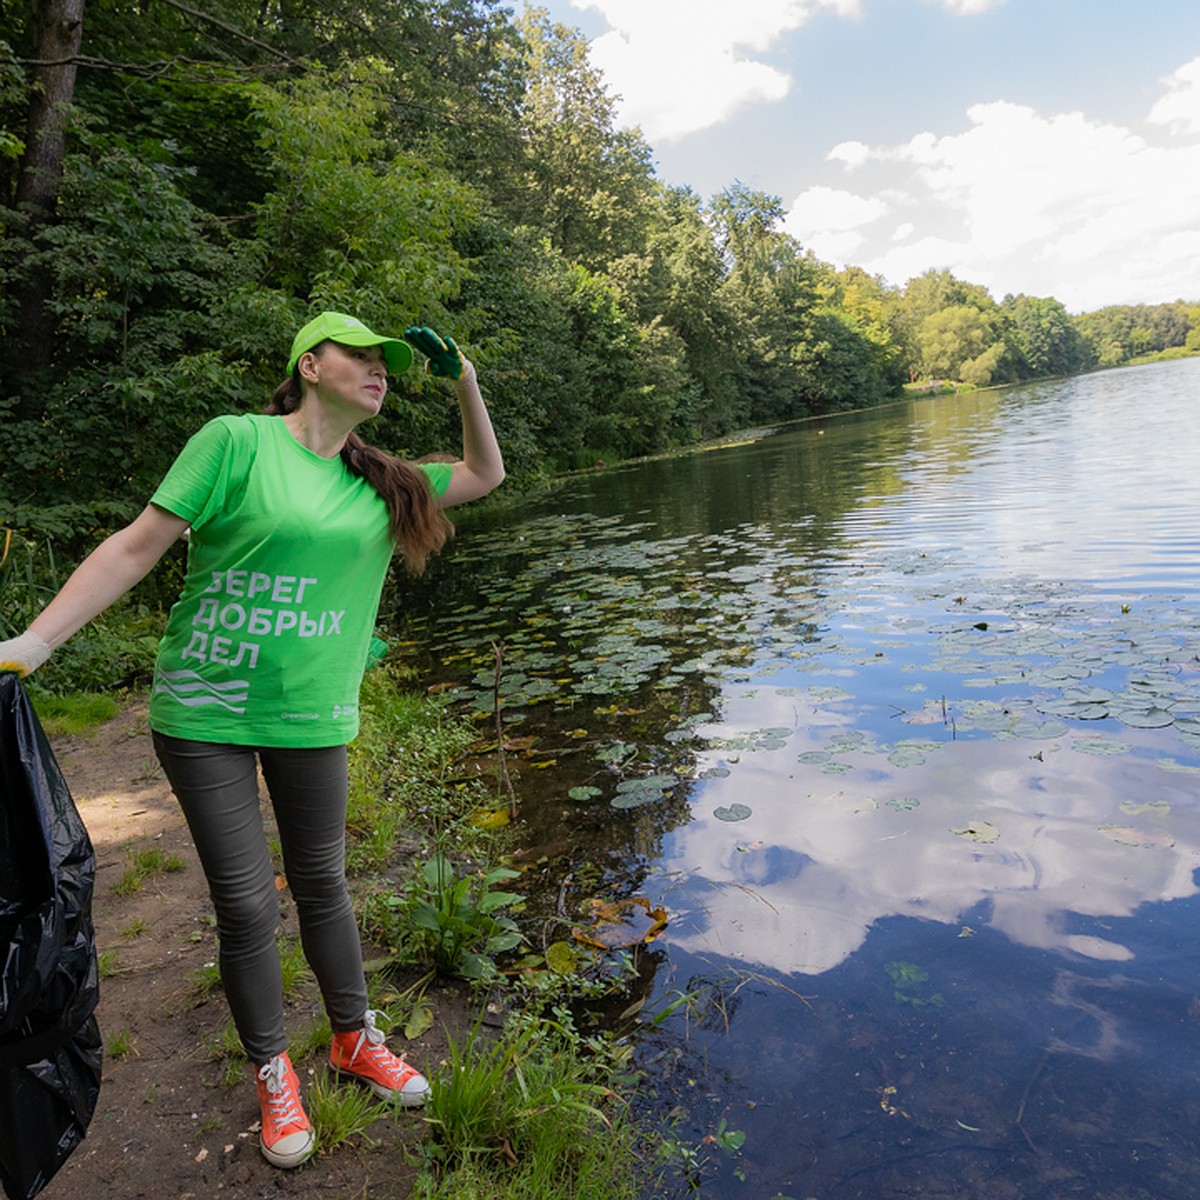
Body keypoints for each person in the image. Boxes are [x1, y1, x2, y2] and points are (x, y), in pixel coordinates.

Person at [0, 312, 505, 1169]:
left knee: (324, 885)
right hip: (205, 714)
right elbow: (136, 547)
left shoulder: (385, 481)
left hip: (312, 717)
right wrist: (32, 645)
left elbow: (486, 473)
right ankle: (274, 1071)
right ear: (310, 364)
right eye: (363, 356)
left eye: (389, 365)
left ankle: (353, 1038)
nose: (381, 371)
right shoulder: (234, 442)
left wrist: (464, 378)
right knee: (244, 904)